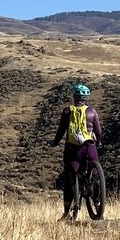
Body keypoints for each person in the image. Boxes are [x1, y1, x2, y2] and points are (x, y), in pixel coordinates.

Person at [47, 83, 103, 219]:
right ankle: (98, 204)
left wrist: (54, 142)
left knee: (70, 179)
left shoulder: (67, 111)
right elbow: (98, 131)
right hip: (89, 147)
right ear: (86, 98)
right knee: (95, 176)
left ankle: (66, 213)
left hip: (72, 149)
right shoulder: (92, 111)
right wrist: (99, 142)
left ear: (74, 96)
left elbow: (61, 130)